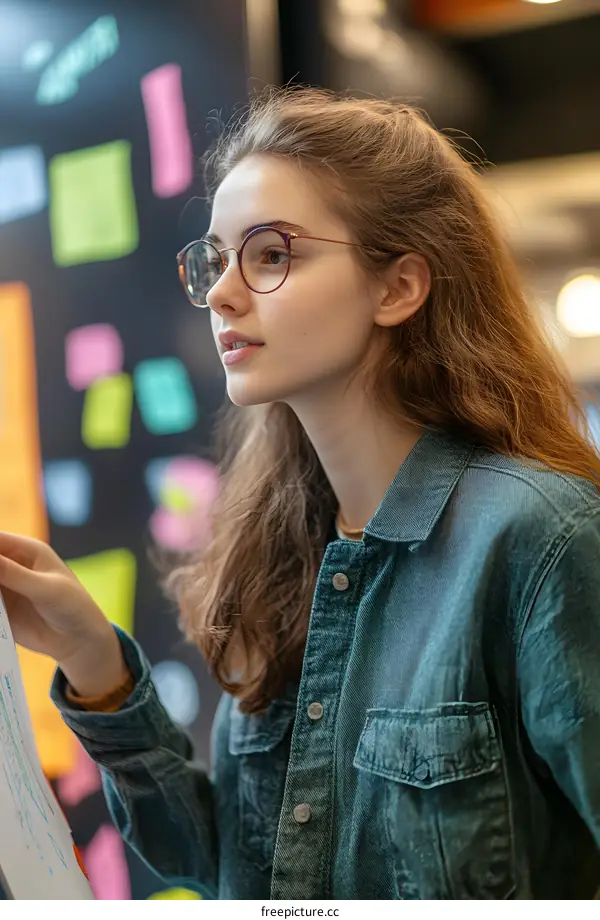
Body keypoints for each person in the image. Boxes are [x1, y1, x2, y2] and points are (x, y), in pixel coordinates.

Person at [0, 85, 599, 901]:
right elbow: (235, 866)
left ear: (398, 287)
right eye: (216, 259)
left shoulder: (539, 538)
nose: (222, 292)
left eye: (271, 255)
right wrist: (91, 659)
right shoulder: (282, 549)